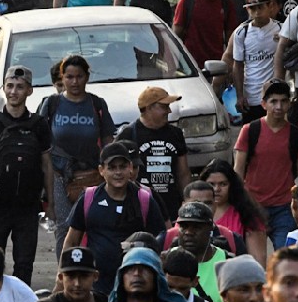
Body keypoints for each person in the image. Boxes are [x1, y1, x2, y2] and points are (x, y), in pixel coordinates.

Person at [0, 65, 54, 287]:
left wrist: (51, 203)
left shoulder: (39, 124)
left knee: (25, 262)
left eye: (20, 86)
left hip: (27, 205)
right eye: (10, 86)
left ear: (29, 91)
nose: (14, 91)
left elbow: (47, 165)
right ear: (4, 89)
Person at [38, 54, 114, 249]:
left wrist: (108, 170)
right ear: (62, 78)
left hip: (91, 175)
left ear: (87, 77)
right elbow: (39, 140)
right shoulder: (52, 104)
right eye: (69, 77)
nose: (74, 82)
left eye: (79, 76)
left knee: (92, 224)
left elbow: (108, 140)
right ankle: (64, 273)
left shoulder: (97, 104)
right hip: (58, 175)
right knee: (63, 227)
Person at [63, 141, 156, 284]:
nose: (118, 172)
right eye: (112, 168)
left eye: (122, 167)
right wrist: (63, 274)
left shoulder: (144, 199)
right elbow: (72, 240)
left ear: (130, 168)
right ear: (101, 170)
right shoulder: (89, 198)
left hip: (134, 285)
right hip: (96, 284)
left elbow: (161, 237)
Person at [233, 80, 298, 249]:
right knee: (255, 263)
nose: (279, 106)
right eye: (273, 101)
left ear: (289, 104)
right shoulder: (250, 130)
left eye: (284, 101)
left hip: (284, 208)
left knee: (284, 260)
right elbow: (238, 171)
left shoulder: (296, 134)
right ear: (264, 104)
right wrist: (237, 203)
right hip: (254, 206)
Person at [116, 87, 189, 227]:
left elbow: (183, 173)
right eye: (164, 106)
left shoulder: (176, 134)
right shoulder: (129, 134)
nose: (169, 111)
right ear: (148, 108)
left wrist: (188, 200)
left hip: (171, 205)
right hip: (139, 206)